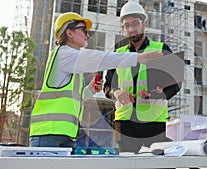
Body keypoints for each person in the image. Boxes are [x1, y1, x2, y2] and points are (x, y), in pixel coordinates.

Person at [29, 12, 162, 147]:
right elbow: (98, 58)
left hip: (64, 134)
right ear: (69, 33)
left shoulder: (71, 64)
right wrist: (137, 58)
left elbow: (75, 100)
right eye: (83, 30)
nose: (87, 34)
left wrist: (90, 90)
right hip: (48, 133)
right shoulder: (63, 54)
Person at [104, 1, 181, 153]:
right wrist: (116, 92)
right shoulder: (117, 54)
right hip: (125, 123)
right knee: (126, 164)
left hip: (153, 122)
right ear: (123, 28)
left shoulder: (161, 49)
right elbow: (107, 86)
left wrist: (160, 93)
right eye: (127, 25)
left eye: (135, 23)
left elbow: (176, 83)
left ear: (144, 24)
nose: (132, 28)